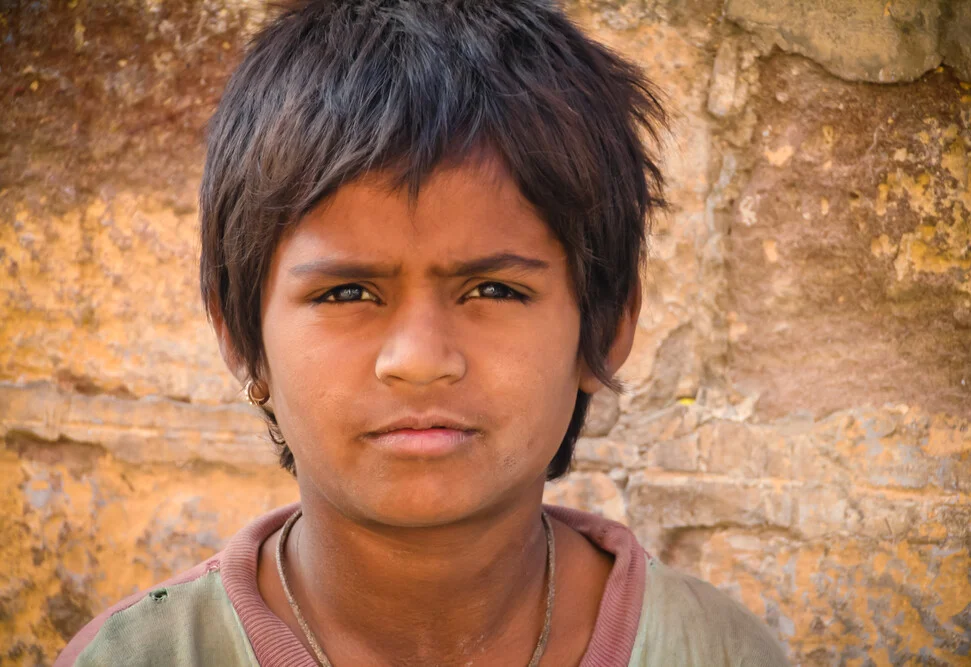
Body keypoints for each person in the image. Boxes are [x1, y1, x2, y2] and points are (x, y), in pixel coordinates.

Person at [57, 1, 789, 665]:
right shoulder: (138, 657)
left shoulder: (717, 653)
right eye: (348, 292)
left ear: (607, 323)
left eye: (494, 289)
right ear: (240, 335)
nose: (417, 360)